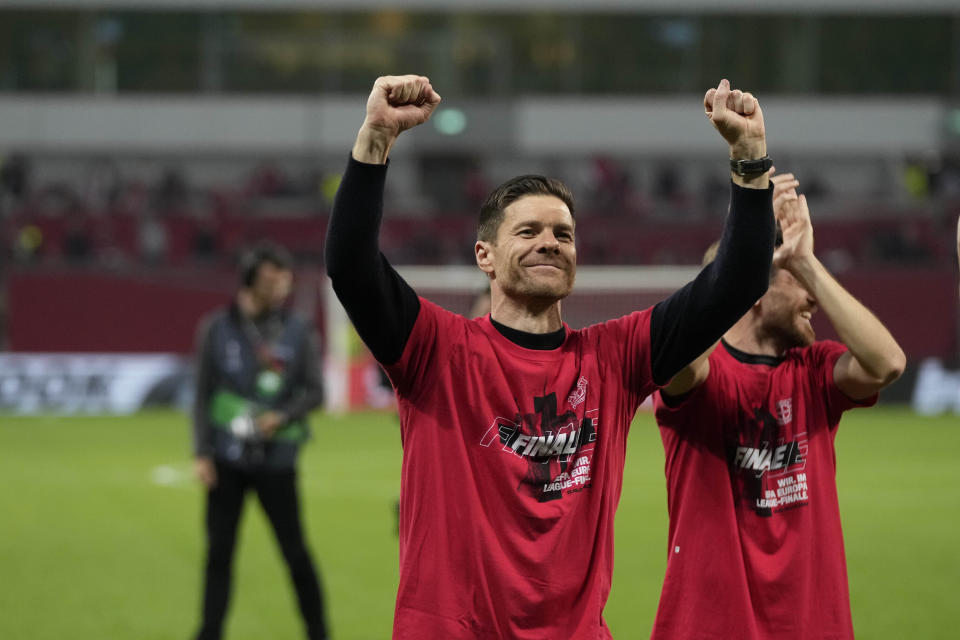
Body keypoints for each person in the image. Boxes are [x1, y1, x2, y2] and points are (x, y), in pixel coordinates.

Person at [325, 74, 776, 639]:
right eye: (529, 231)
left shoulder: (616, 358)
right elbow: (349, 265)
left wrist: (749, 156)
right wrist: (375, 139)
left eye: (564, 234)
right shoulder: (436, 350)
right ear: (485, 257)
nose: (550, 242)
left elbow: (737, 282)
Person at [650, 173, 906, 639]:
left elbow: (887, 364)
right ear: (753, 291)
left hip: (812, 625)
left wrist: (804, 262)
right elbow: (678, 361)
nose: (813, 297)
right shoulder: (703, 376)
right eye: (796, 281)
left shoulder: (813, 371)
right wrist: (742, 242)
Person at [191, 242, 328, 640]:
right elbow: (202, 395)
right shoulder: (215, 328)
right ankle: (208, 633)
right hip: (226, 461)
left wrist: (280, 416)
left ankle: (319, 633)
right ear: (250, 281)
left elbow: (316, 392)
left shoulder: (297, 329)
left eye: (284, 278)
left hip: (277, 461)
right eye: (272, 278)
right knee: (219, 556)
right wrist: (201, 451)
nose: (282, 286)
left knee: (295, 553)